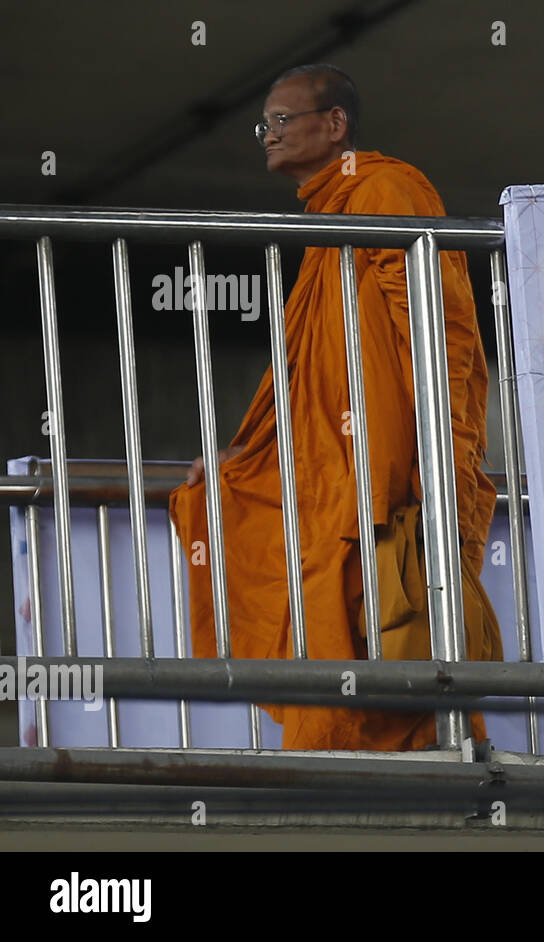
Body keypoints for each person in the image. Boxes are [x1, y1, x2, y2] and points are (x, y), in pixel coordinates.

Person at [169, 64, 502, 751]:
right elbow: (309, 367)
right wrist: (257, 452)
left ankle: (410, 771)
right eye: (264, 124)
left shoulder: (385, 189)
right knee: (320, 592)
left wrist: (442, 451)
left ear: (336, 124)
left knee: (387, 610)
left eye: (283, 120)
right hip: (333, 467)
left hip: (383, 462)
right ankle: (341, 772)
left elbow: (437, 327)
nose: (268, 134)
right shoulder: (332, 213)